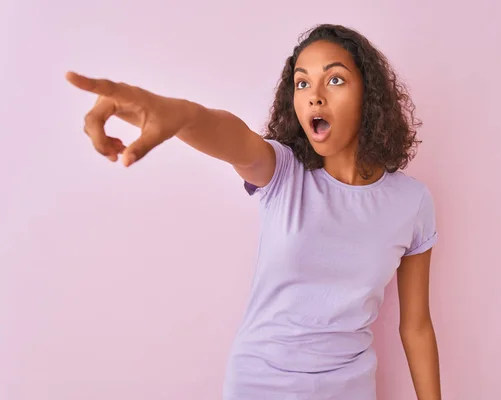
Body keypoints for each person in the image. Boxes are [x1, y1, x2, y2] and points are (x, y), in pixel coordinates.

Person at [66, 23, 441, 400]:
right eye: (302, 83)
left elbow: (416, 327)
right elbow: (233, 137)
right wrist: (181, 115)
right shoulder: (283, 172)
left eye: (336, 80)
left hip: (350, 388)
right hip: (261, 384)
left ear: (369, 96)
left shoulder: (411, 203)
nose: (315, 96)